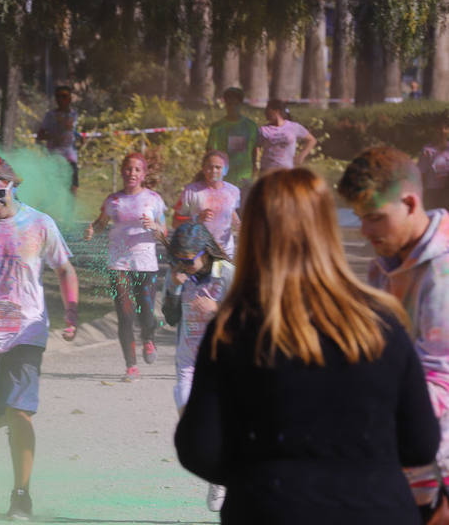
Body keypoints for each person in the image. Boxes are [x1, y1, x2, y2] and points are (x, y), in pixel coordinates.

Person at [176, 168, 440, 524]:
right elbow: (421, 442)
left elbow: (199, 447)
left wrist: (258, 478)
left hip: (270, 507)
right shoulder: (381, 321)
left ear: (254, 235)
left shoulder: (233, 330)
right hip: (379, 508)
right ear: (327, 230)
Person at [0, 148, 79, 520]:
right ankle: (4, 416)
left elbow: (65, 269)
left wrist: (71, 313)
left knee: (21, 410)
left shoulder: (39, 224)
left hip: (27, 330)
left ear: (12, 186)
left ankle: (21, 495)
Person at [337, 147, 449, 522]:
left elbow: (440, 382)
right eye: (359, 218)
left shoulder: (443, 272)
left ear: (410, 203)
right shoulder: (382, 268)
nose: (365, 231)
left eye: (374, 218)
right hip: (402, 464)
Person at [161, 222, 234, 511]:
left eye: (188, 260)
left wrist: (218, 311)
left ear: (205, 253)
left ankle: (221, 478)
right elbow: (170, 318)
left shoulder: (228, 274)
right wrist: (173, 290)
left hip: (222, 363)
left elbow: (250, 313)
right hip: (188, 364)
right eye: (178, 260)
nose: (184, 265)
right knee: (193, 424)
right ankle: (218, 473)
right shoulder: (179, 275)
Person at [84, 150, 166, 380]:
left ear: (144, 174)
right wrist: (92, 230)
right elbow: (100, 223)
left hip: (146, 263)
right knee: (126, 314)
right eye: (128, 169)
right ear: (122, 172)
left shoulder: (154, 199)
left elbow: (164, 232)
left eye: (137, 169)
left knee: (147, 313)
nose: (132, 173)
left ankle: (148, 338)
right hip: (118, 262)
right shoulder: (113, 200)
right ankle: (131, 366)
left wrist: (155, 227)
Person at [173, 150, 241, 258]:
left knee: (222, 275)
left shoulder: (233, 191)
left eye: (218, 167)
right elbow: (175, 222)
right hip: (197, 251)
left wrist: (239, 225)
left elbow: (230, 211)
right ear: (203, 169)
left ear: (226, 170)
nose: (213, 171)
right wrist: (197, 219)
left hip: (224, 251)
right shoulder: (191, 191)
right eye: (209, 167)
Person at [206, 87, 258, 194]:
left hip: (244, 179)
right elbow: (210, 153)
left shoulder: (251, 126)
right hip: (223, 180)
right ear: (225, 104)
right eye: (229, 104)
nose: (232, 107)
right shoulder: (217, 127)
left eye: (236, 104)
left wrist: (254, 171)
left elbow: (254, 150)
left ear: (241, 104)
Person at [36, 85, 80, 195]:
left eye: (64, 96)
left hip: (70, 157)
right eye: (58, 96)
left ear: (70, 98)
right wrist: (54, 136)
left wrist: (78, 136)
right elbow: (40, 136)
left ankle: (69, 212)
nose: (60, 99)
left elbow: (71, 131)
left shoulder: (74, 114)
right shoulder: (50, 115)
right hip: (54, 157)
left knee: (73, 188)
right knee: (54, 190)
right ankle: (50, 210)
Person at [256, 99, 317, 172]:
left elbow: (312, 140)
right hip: (267, 171)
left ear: (276, 111)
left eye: (267, 110)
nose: (265, 113)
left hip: (287, 171)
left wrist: (301, 156)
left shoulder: (293, 127)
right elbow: (256, 147)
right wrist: (254, 165)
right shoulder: (263, 130)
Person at [418, 113, 449, 210]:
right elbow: (421, 174)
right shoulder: (427, 150)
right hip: (432, 192)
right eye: (439, 128)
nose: (442, 131)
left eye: (445, 128)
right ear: (435, 130)